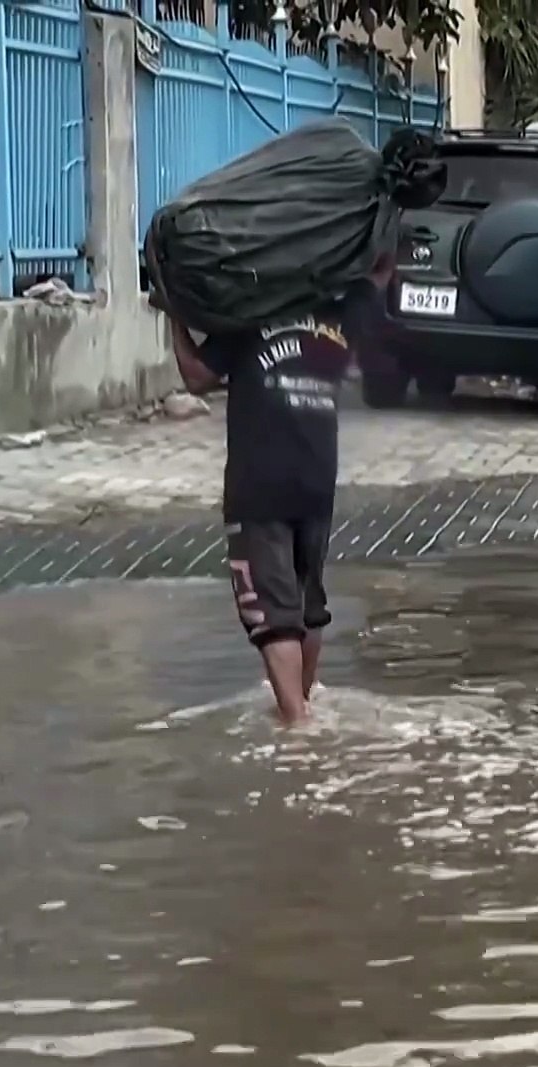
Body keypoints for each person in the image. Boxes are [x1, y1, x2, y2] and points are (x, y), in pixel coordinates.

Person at [160, 259, 389, 725]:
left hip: (259, 483)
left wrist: (173, 316)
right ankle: (302, 707)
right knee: (307, 604)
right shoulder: (339, 316)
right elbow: (381, 271)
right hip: (317, 479)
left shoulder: (249, 317)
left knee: (273, 613)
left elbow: (198, 376)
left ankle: (297, 730)